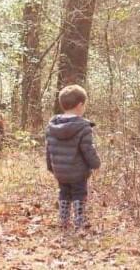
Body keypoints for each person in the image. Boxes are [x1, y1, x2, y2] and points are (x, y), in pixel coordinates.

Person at [46, 84, 101, 229]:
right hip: (78, 171)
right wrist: (96, 163)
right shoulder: (83, 127)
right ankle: (79, 220)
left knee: (64, 192)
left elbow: (49, 148)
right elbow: (88, 149)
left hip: (60, 171)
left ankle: (63, 220)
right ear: (80, 105)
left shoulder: (52, 125)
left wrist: (50, 167)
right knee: (79, 193)